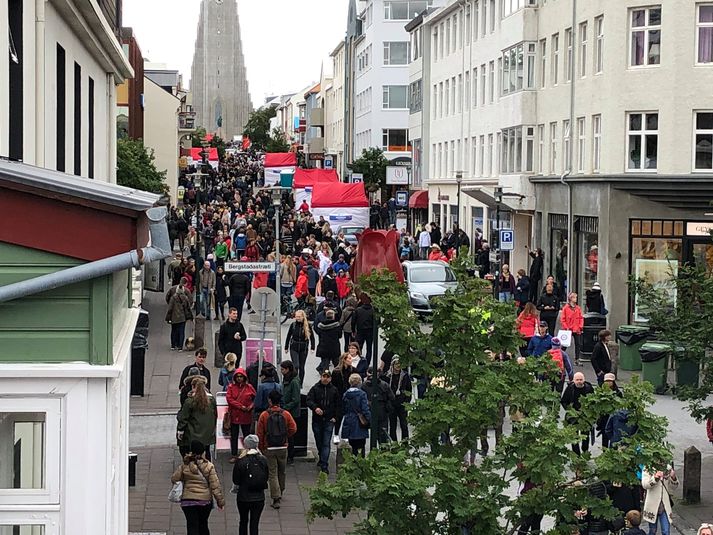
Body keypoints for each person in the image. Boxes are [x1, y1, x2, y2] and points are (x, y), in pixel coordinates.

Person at [171, 439, 225, 535]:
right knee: (203, 524)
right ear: (203, 451)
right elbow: (215, 486)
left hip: (188, 501)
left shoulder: (185, 465)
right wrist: (220, 501)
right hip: (204, 501)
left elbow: (174, 479)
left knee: (191, 526)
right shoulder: (209, 466)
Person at [256, 390, 297, 510]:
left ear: (269, 400)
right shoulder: (286, 414)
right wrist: (285, 437)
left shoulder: (264, 415)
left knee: (272, 473)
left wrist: (261, 447)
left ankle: (276, 497)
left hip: (269, 447)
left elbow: (260, 432)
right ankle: (281, 490)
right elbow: (293, 428)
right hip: (283, 447)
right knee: (282, 471)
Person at [232, 434, 268, 535]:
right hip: (259, 497)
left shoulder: (241, 461)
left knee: (243, 521)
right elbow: (266, 477)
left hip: (243, 497)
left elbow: (236, 480)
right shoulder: (263, 460)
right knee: (254, 523)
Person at [306, 370, 341, 473]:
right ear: (321, 377)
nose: (325, 379)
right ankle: (321, 458)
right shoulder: (315, 389)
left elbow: (338, 405)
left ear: (330, 378)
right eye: (324, 376)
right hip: (317, 420)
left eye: (327, 377)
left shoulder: (334, 390)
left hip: (329, 420)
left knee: (326, 443)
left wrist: (336, 417)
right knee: (319, 441)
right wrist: (315, 408)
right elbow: (309, 400)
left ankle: (324, 464)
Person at [177, 376, 218, 459]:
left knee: (192, 453)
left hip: (193, 434)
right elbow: (215, 415)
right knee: (207, 451)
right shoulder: (212, 400)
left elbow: (183, 418)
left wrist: (180, 431)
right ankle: (207, 468)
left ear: (193, 386)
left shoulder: (189, 401)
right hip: (207, 433)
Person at [560, 372, 595, 455]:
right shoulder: (570, 388)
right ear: (574, 381)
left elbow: (594, 401)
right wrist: (569, 410)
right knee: (574, 437)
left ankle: (585, 450)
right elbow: (563, 401)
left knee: (585, 436)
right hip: (573, 416)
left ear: (584, 380)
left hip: (585, 416)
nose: (579, 381)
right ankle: (576, 454)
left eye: (581, 380)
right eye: (577, 380)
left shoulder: (589, 388)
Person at [226, 368, 256, 463]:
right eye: (237, 376)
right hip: (235, 415)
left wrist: (251, 406)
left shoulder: (249, 387)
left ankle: (247, 452)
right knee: (234, 436)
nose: (239, 378)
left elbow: (255, 398)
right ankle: (234, 454)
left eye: (241, 376)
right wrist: (241, 406)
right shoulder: (231, 387)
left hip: (246, 415)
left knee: (247, 435)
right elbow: (229, 399)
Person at [642, 464, 678, 535]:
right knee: (652, 530)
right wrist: (655, 478)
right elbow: (645, 485)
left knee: (666, 531)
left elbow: (673, 487)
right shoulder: (648, 468)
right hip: (652, 505)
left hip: (664, 505)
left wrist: (673, 477)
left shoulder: (668, 468)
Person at [362, 366, 393, 445]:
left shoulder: (364, 386)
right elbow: (391, 397)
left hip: (370, 412)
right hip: (382, 412)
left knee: (372, 437)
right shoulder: (384, 385)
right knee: (382, 437)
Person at [341, 373, 371, 457]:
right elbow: (365, 409)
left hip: (349, 421)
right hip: (359, 422)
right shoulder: (362, 394)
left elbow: (343, 409)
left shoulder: (346, 394)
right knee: (361, 447)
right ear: (359, 382)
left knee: (352, 446)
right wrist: (369, 420)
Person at [284, 309, 315, 385]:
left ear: (302, 317)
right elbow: (288, 336)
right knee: (296, 365)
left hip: (303, 348)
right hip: (294, 347)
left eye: (298, 316)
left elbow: (312, 337)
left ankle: (300, 383)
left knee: (302, 366)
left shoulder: (308, 325)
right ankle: (294, 381)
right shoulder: (293, 325)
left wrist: (312, 347)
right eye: (296, 316)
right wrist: (286, 347)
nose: (297, 318)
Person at [279, 360, 301, 464]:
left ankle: (290, 456)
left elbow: (296, 399)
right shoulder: (288, 378)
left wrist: (285, 408)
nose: (281, 371)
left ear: (288, 369)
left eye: (283, 369)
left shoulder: (294, 381)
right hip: (287, 410)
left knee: (290, 435)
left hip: (291, 412)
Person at [331, 351, 356, 443]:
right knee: (339, 416)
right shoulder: (336, 372)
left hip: (350, 396)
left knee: (348, 417)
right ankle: (336, 434)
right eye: (349, 358)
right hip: (339, 396)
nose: (351, 360)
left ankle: (345, 434)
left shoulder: (353, 370)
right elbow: (333, 385)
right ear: (344, 360)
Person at [385, 357, 411, 442]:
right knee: (392, 425)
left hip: (402, 404)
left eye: (399, 364)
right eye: (396, 364)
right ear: (392, 365)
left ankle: (405, 443)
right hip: (392, 404)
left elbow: (409, 389)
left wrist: (406, 401)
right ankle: (394, 444)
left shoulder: (405, 375)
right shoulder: (388, 376)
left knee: (404, 425)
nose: (398, 366)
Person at [166, 277, 192, 350]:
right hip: (182, 317)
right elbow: (188, 305)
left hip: (174, 316)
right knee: (181, 331)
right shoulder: (186, 296)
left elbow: (170, 308)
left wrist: (168, 317)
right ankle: (180, 346)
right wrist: (190, 316)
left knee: (173, 331)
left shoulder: (173, 297)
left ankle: (173, 345)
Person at [561, 292, 584, 366]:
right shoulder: (566, 308)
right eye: (574, 297)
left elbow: (581, 318)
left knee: (578, 344)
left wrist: (580, 326)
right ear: (570, 299)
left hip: (576, 328)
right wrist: (566, 327)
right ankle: (560, 357)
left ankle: (577, 359)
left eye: (576, 297)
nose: (576, 299)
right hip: (568, 328)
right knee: (565, 344)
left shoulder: (578, 308)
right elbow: (563, 319)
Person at [352, 293, 375, 366]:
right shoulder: (373, 311)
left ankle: (357, 362)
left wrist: (353, 330)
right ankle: (367, 364)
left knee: (358, 347)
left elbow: (353, 321)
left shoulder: (358, 310)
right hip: (370, 331)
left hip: (360, 331)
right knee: (369, 348)